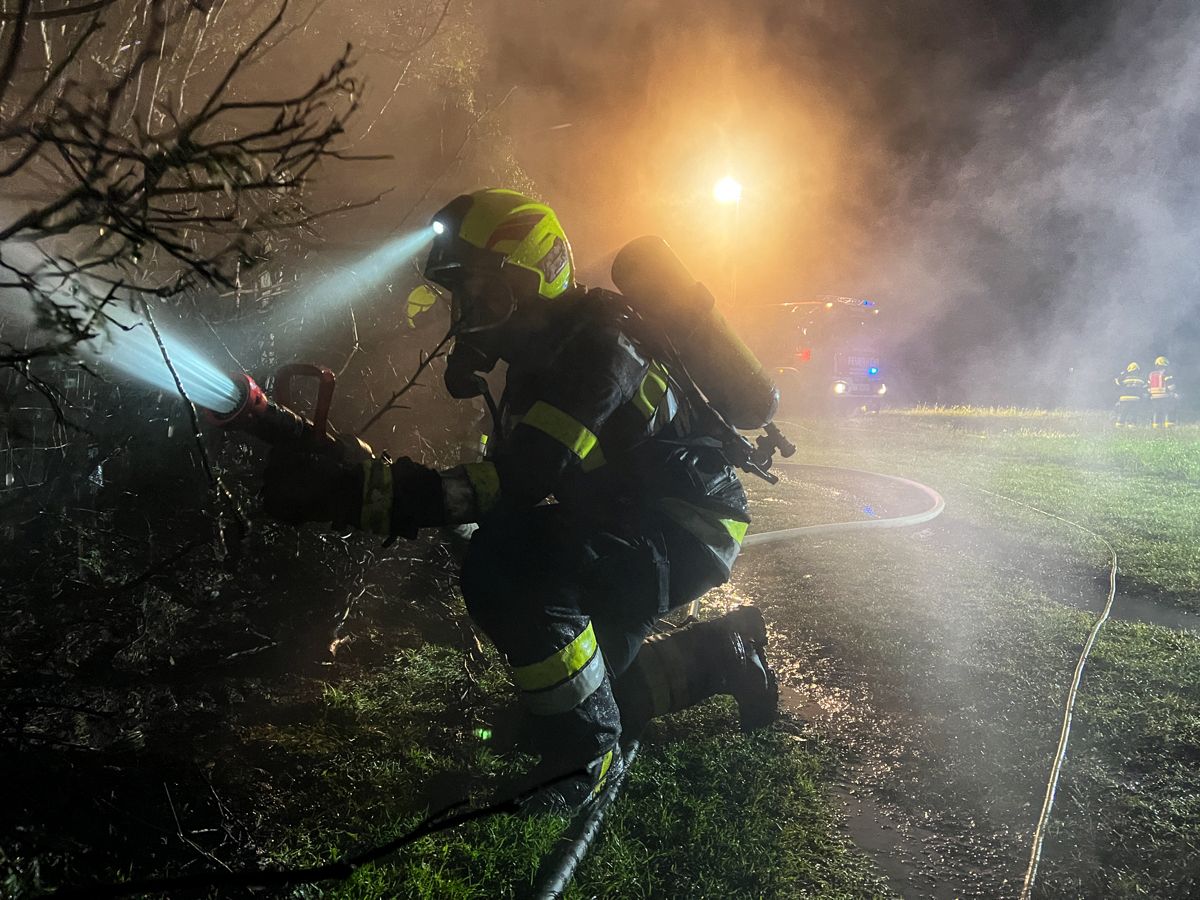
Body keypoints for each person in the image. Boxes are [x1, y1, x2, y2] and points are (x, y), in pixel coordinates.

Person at [262, 189, 778, 814]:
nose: (468, 311)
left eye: (481, 291)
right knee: (592, 686)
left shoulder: (597, 353)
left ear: (532, 280)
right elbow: (505, 482)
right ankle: (726, 653)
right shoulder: (544, 357)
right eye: (461, 294)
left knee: (508, 564)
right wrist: (366, 473)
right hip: (628, 517)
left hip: (686, 524)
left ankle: (583, 759)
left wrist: (369, 498)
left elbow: (517, 483)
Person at [1147, 356, 1177, 428]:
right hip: (1165, 396)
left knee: (1156, 411)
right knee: (1167, 410)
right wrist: (1174, 392)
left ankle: (1155, 425)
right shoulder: (1166, 373)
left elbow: (1148, 386)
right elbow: (1170, 385)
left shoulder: (1151, 374)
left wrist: (1151, 394)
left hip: (1154, 397)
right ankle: (1168, 426)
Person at [1113, 361, 1146, 426]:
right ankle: (1132, 424)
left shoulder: (1125, 378)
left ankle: (1119, 424)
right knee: (1133, 413)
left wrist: (1122, 374)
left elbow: (1117, 382)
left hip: (1124, 399)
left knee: (1123, 412)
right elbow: (1144, 387)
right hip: (1136, 399)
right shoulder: (1140, 379)